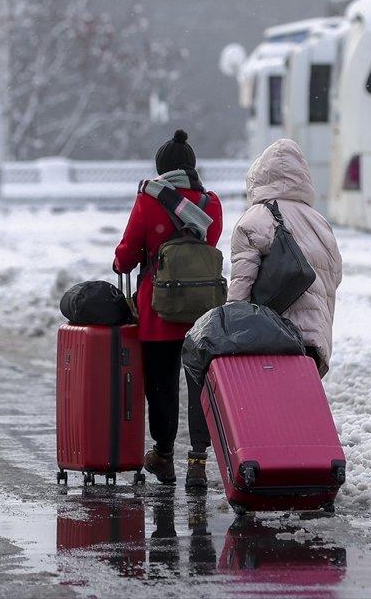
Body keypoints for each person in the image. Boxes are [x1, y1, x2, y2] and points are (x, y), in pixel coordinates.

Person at [114, 129, 223, 489]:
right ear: (192, 166)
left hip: (160, 312)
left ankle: (162, 455)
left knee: (160, 385)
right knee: (199, 387)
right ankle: (197, 460)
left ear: (161, 169)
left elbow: (128, 253)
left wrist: (120, 263)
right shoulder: (211, 205)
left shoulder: (149, 200)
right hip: (202, 315)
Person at [228, 138, 342, 377]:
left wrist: (231, 331)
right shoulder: (319, 222)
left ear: (261, 176)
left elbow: (241, 283)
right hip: (313, 340)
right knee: (297, 408)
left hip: (271, 335)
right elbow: (333, 280)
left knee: (269, 410)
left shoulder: (255, 218)